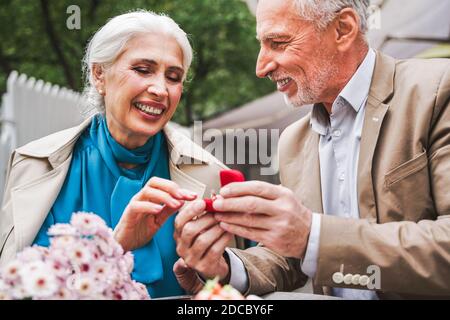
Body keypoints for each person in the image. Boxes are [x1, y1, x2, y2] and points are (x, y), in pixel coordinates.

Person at [174, 0, 450, 299]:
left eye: (278, 43)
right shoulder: (294, 140)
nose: (261, 67)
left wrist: (312, 234)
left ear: (343, 29)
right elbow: (293, 258)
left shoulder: (436, 90)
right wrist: (226, 268)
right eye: (262, 45)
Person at [0, 10, 237, 298]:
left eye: (173, 77)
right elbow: (10, 290)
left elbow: (230, 290)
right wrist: (116, 246)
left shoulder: (211, 174)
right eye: (143, 69)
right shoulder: (34, 164)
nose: (160, 89)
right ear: (99, 75)